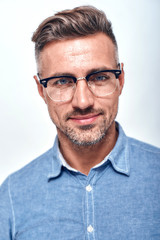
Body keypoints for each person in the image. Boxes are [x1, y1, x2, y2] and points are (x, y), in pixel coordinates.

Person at [0, 5, 160, 240]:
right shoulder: (12, 195)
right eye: (63, 81)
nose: (83, 101)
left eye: (99, 77)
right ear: (41, 90)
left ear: (121, 80)